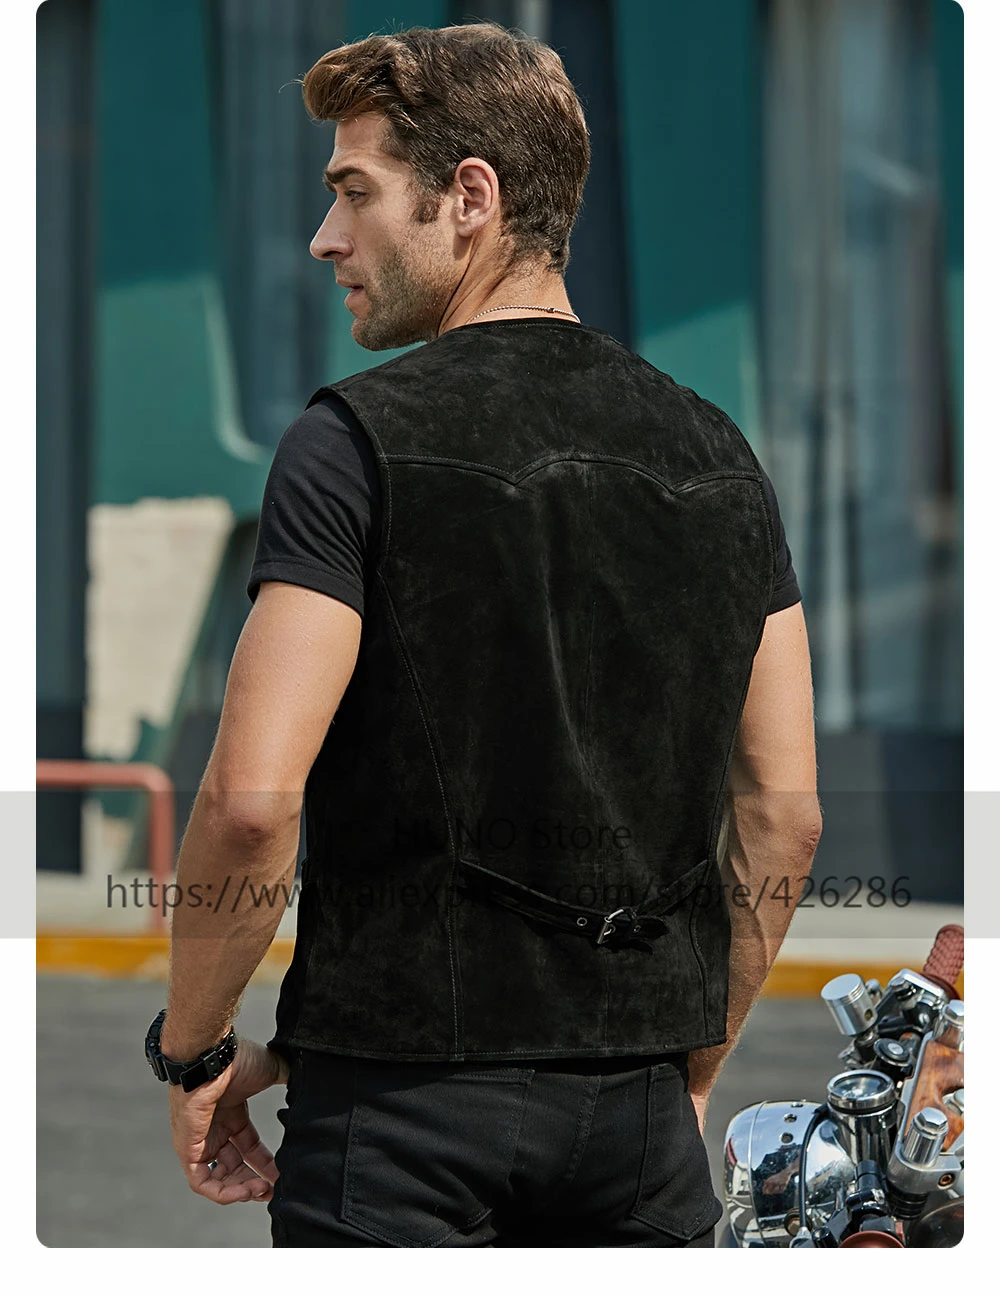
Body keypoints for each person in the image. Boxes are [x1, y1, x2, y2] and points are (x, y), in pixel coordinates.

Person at [148, 22, 822, 1248]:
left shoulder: (353, 442)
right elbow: (785, 816)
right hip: (637, 1129)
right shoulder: (720, 455)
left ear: (470, 197)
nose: (325, 238)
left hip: (400, 1130)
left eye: (355, 192)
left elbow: (249, 802)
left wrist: (191, 1049)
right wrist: (687, 1067)